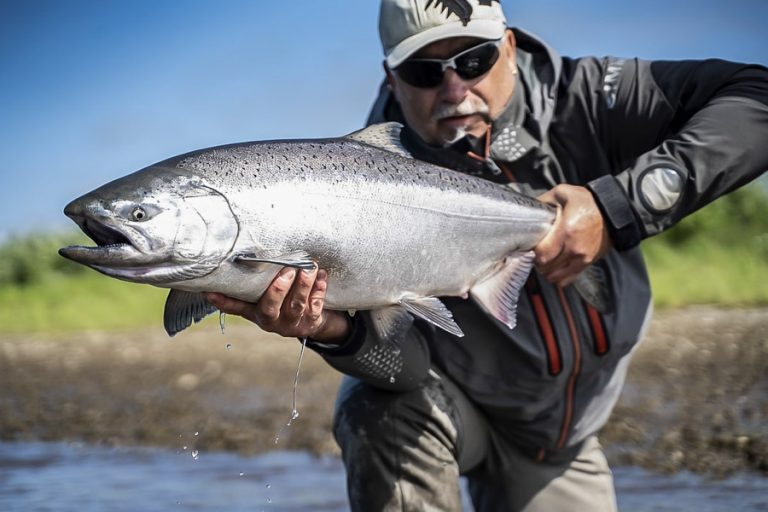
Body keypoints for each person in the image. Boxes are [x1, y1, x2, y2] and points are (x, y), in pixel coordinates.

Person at [206, 0, 768, 510]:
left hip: (561, 445)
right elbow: (402, 371)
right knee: (373, 410)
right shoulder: (355, 183)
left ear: (511, 47)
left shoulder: (590, 97)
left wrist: (618, 205)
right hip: (450, 411)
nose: (452, 91)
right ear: (391, 77)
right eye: (424, 73)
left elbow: (757, 98)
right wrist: (334, 333)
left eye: (473, 62)